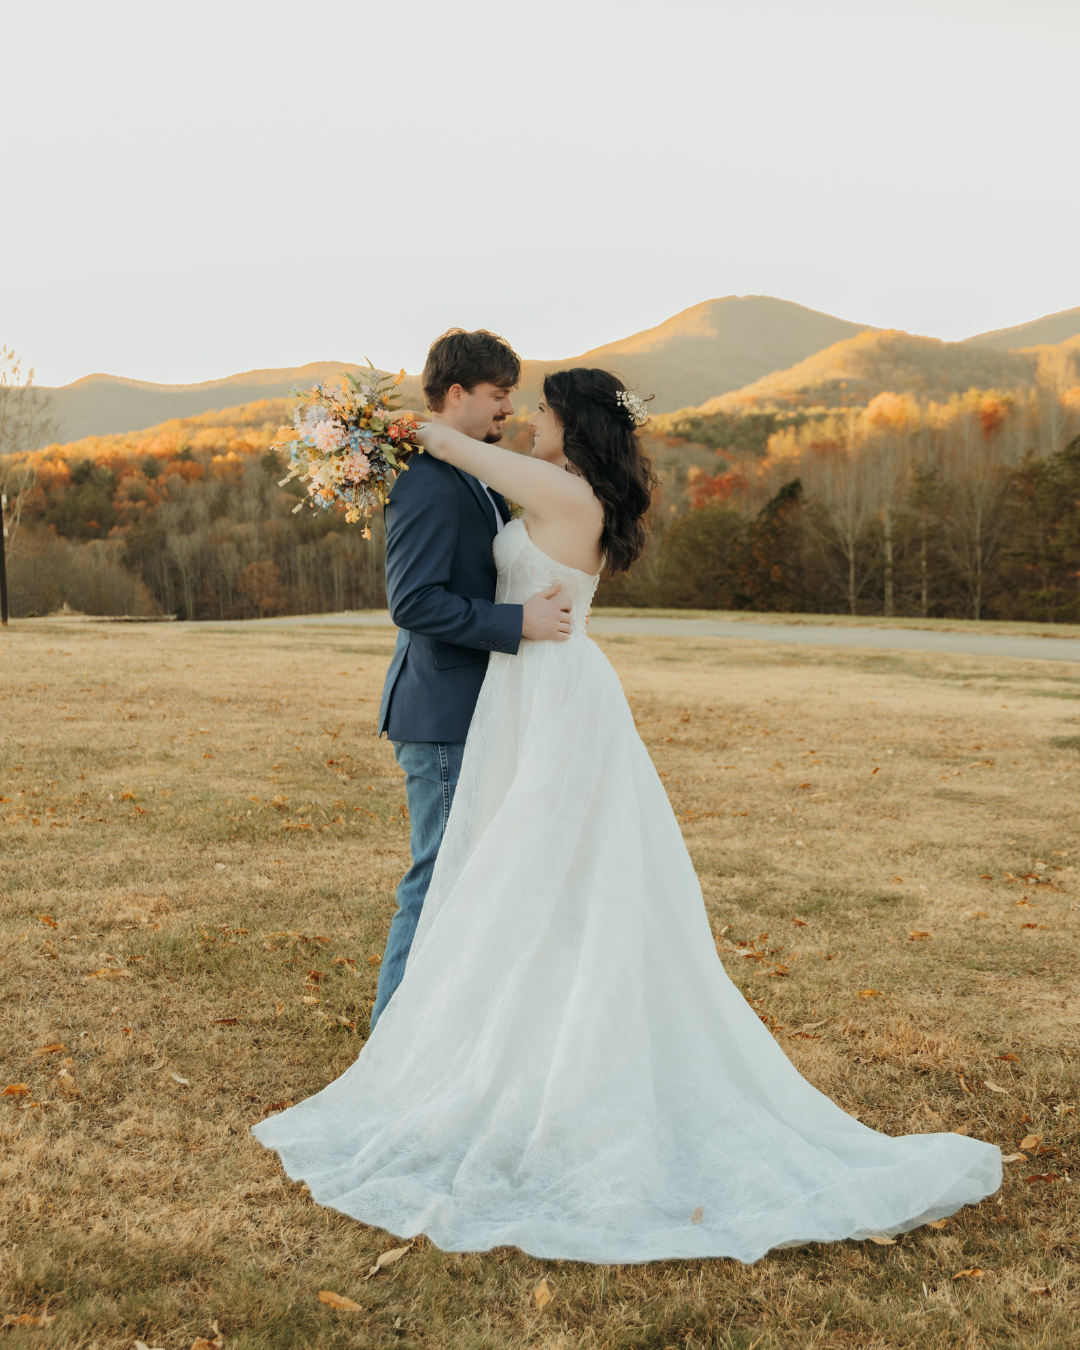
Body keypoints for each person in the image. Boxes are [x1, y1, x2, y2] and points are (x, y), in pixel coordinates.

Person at [253, 367, 1001, 1264]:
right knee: (531, 881)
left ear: (570, 426)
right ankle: (494, 1046)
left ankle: (499, 1065)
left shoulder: (564, 491)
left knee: (531, 874)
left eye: (537, 410)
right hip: (535, 692)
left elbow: (447, 443)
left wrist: (355, 425)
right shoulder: (575, 490)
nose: (524, 420)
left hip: (552, 694)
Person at [371, 328, 572, 1029]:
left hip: (471, 711)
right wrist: (515, 622)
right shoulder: (429, 482)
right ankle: (388, 1048)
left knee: (462, 881)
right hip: (442, 713)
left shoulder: (469, 474)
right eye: (497, 395)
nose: (507, 409)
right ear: (456, 395)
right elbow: (415, 602)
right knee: (434, 883)